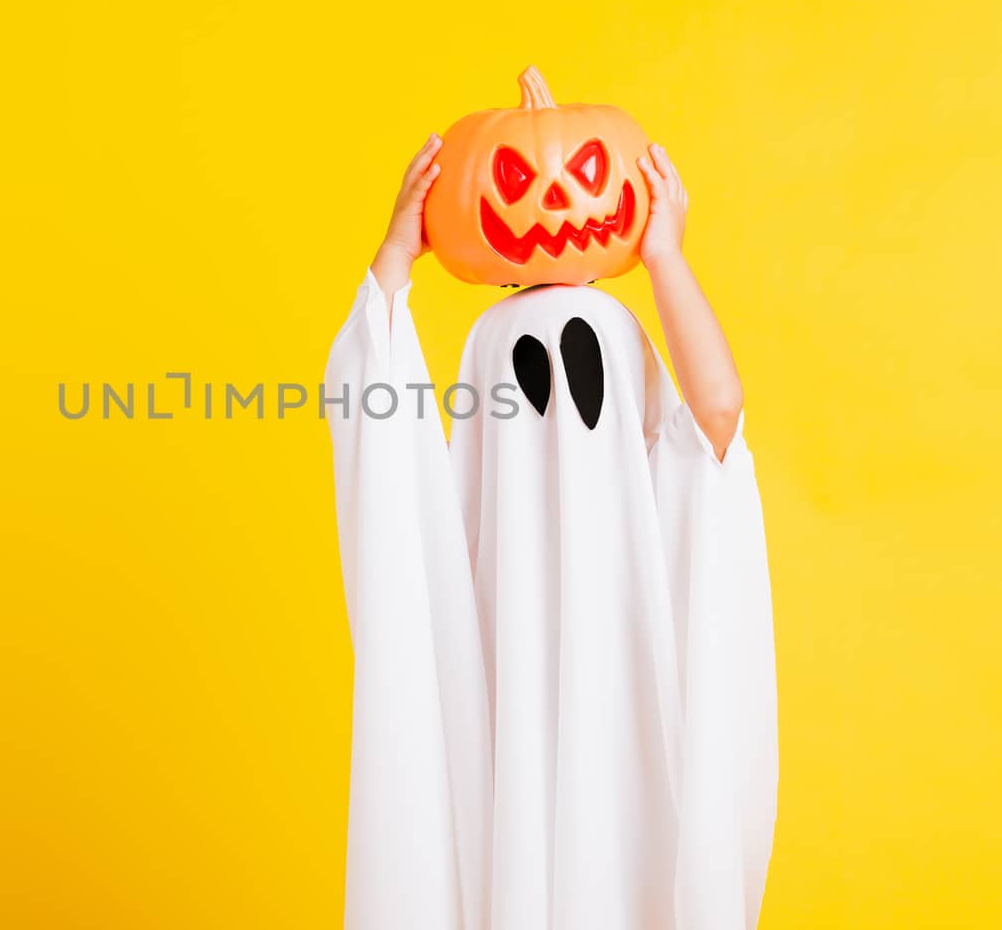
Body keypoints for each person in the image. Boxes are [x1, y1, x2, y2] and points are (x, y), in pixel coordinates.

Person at [325, 137, 778, 930]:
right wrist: (397, 250)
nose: (563, 418)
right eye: (529, 380)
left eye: (586, 365)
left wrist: (664, 257)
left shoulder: (653, 511)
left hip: (634, 747)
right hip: (504, 755)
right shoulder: (460, 572)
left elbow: (717, 413)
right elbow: (376, 405)